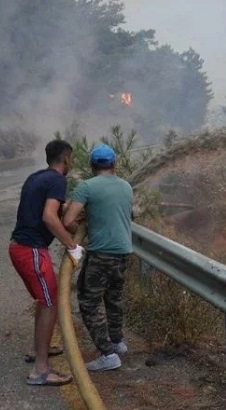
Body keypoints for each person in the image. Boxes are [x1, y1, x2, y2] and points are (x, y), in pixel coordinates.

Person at [10, 139, 84, 386]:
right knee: (50, 302)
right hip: (31, 250)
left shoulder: (36, 177)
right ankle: (40, 370)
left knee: (45, 300)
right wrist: (72, 246)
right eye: (70, 159)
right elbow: (49, 217)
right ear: (66, 159)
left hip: (18, 247)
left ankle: (37, 350)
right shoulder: (57, 180)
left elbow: (50, 214)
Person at [63, 143, 133, 372]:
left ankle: (107, 354)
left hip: (101, 254)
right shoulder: (126, 186)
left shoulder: (86, 187)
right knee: (114, 299)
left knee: (88, 302)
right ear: (114, 164)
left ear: (92, 165)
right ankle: (117, 342)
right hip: (123, 253)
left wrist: (78, 228)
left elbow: (67, 221)